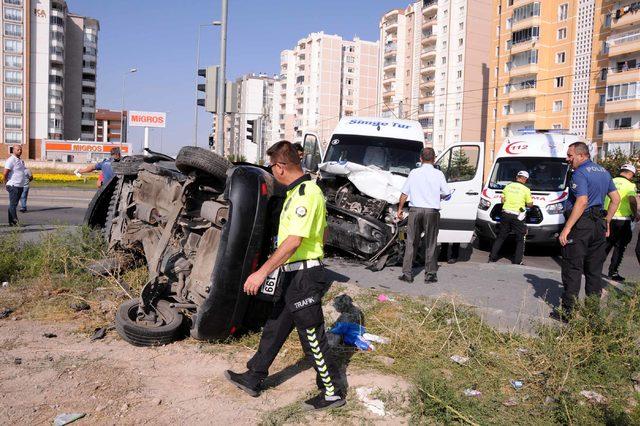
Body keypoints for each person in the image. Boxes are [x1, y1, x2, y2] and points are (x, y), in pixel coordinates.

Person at [225, 141, 345, 411]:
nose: (272, 171)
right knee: (275, 325)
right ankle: (254, 376)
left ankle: (332, 392)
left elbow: (292, 241)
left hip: (304, 276)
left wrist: (262, 272)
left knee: (312, 336)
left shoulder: (306, 193)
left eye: (271, 166)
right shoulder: (298, 192)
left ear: (280, 167)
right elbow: (323, 232)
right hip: (294, 273)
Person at [554, 142, 620, 322]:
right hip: (598, 224)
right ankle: (592, 312)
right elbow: (616, 199)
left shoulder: (580, 173)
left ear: (581, 155)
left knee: (572, 267)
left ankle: (567, 312)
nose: (568, 159)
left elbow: (581, 201)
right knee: (594, 270)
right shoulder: (603, 172)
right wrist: (607, 222)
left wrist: (567, 228)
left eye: (570, 155)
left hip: (581, 225)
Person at [396, 147, 450, 283]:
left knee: (411, 242)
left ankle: (407, 274)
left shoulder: (414, 173)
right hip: (432, 212)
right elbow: (447, 194)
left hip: (415, 211)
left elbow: (404, 194)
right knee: (430, 243)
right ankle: (430, 275)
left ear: (420, 158)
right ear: (434, 159)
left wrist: (400, 209)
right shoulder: (439, 174)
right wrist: (439, 197)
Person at [488, 171, 533, 265]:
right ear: (524, 179)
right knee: (520, 239)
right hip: (517, 216)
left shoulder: (507, 186)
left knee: (501, 236)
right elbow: (529, 204)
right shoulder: (526, 189)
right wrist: (529, 204)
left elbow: (502, 200)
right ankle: (517, 261)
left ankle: (492, 258)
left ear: (517, 177)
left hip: (505, 214)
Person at [604, 164, 637, 282]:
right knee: (619, 247)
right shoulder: (630, 185)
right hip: (622, 220)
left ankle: (593, 268)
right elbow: (632, 200)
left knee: (605, 245)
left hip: (608, 217)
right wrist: (635, 214)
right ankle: (613, 272)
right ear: (630, 174)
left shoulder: (610, 180)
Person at [3, 145, 27, 226]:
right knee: (13, 204)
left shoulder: (20, 160)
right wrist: (6, 182)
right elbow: (5, 173)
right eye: (18, 150)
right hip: (13, 185)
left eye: (21, 149)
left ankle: (11, 222)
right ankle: (15, 221)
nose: (20, 151)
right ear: (13, 150)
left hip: (19, 186)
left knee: (13, 204)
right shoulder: (11, 160)